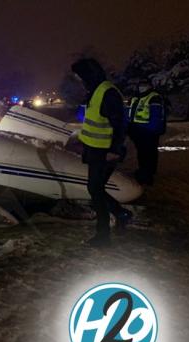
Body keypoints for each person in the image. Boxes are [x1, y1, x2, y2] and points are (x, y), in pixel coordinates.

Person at [71, 58, 132, 247]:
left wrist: (114, 150)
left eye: (81, 77)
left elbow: (120, 124)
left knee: (95, 189)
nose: (79, 81)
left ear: (89, 75)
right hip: (95, 149)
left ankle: (103, 235)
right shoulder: (96, 91)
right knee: (96, 189)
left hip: (104, 151)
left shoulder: (107, 93)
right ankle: (121, 214)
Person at [128, 79, 166, 186]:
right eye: (141, 85)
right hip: (139, 131)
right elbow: (131, 113)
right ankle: (143, 171)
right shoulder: (136, 97)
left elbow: (155, 117)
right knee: (142, 153)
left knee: (148, 154)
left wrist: (148, 130)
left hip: (149, 132)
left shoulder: (154, 97)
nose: (142, 87)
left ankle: (147, 176)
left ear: (150, 86)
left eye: (145, 85)